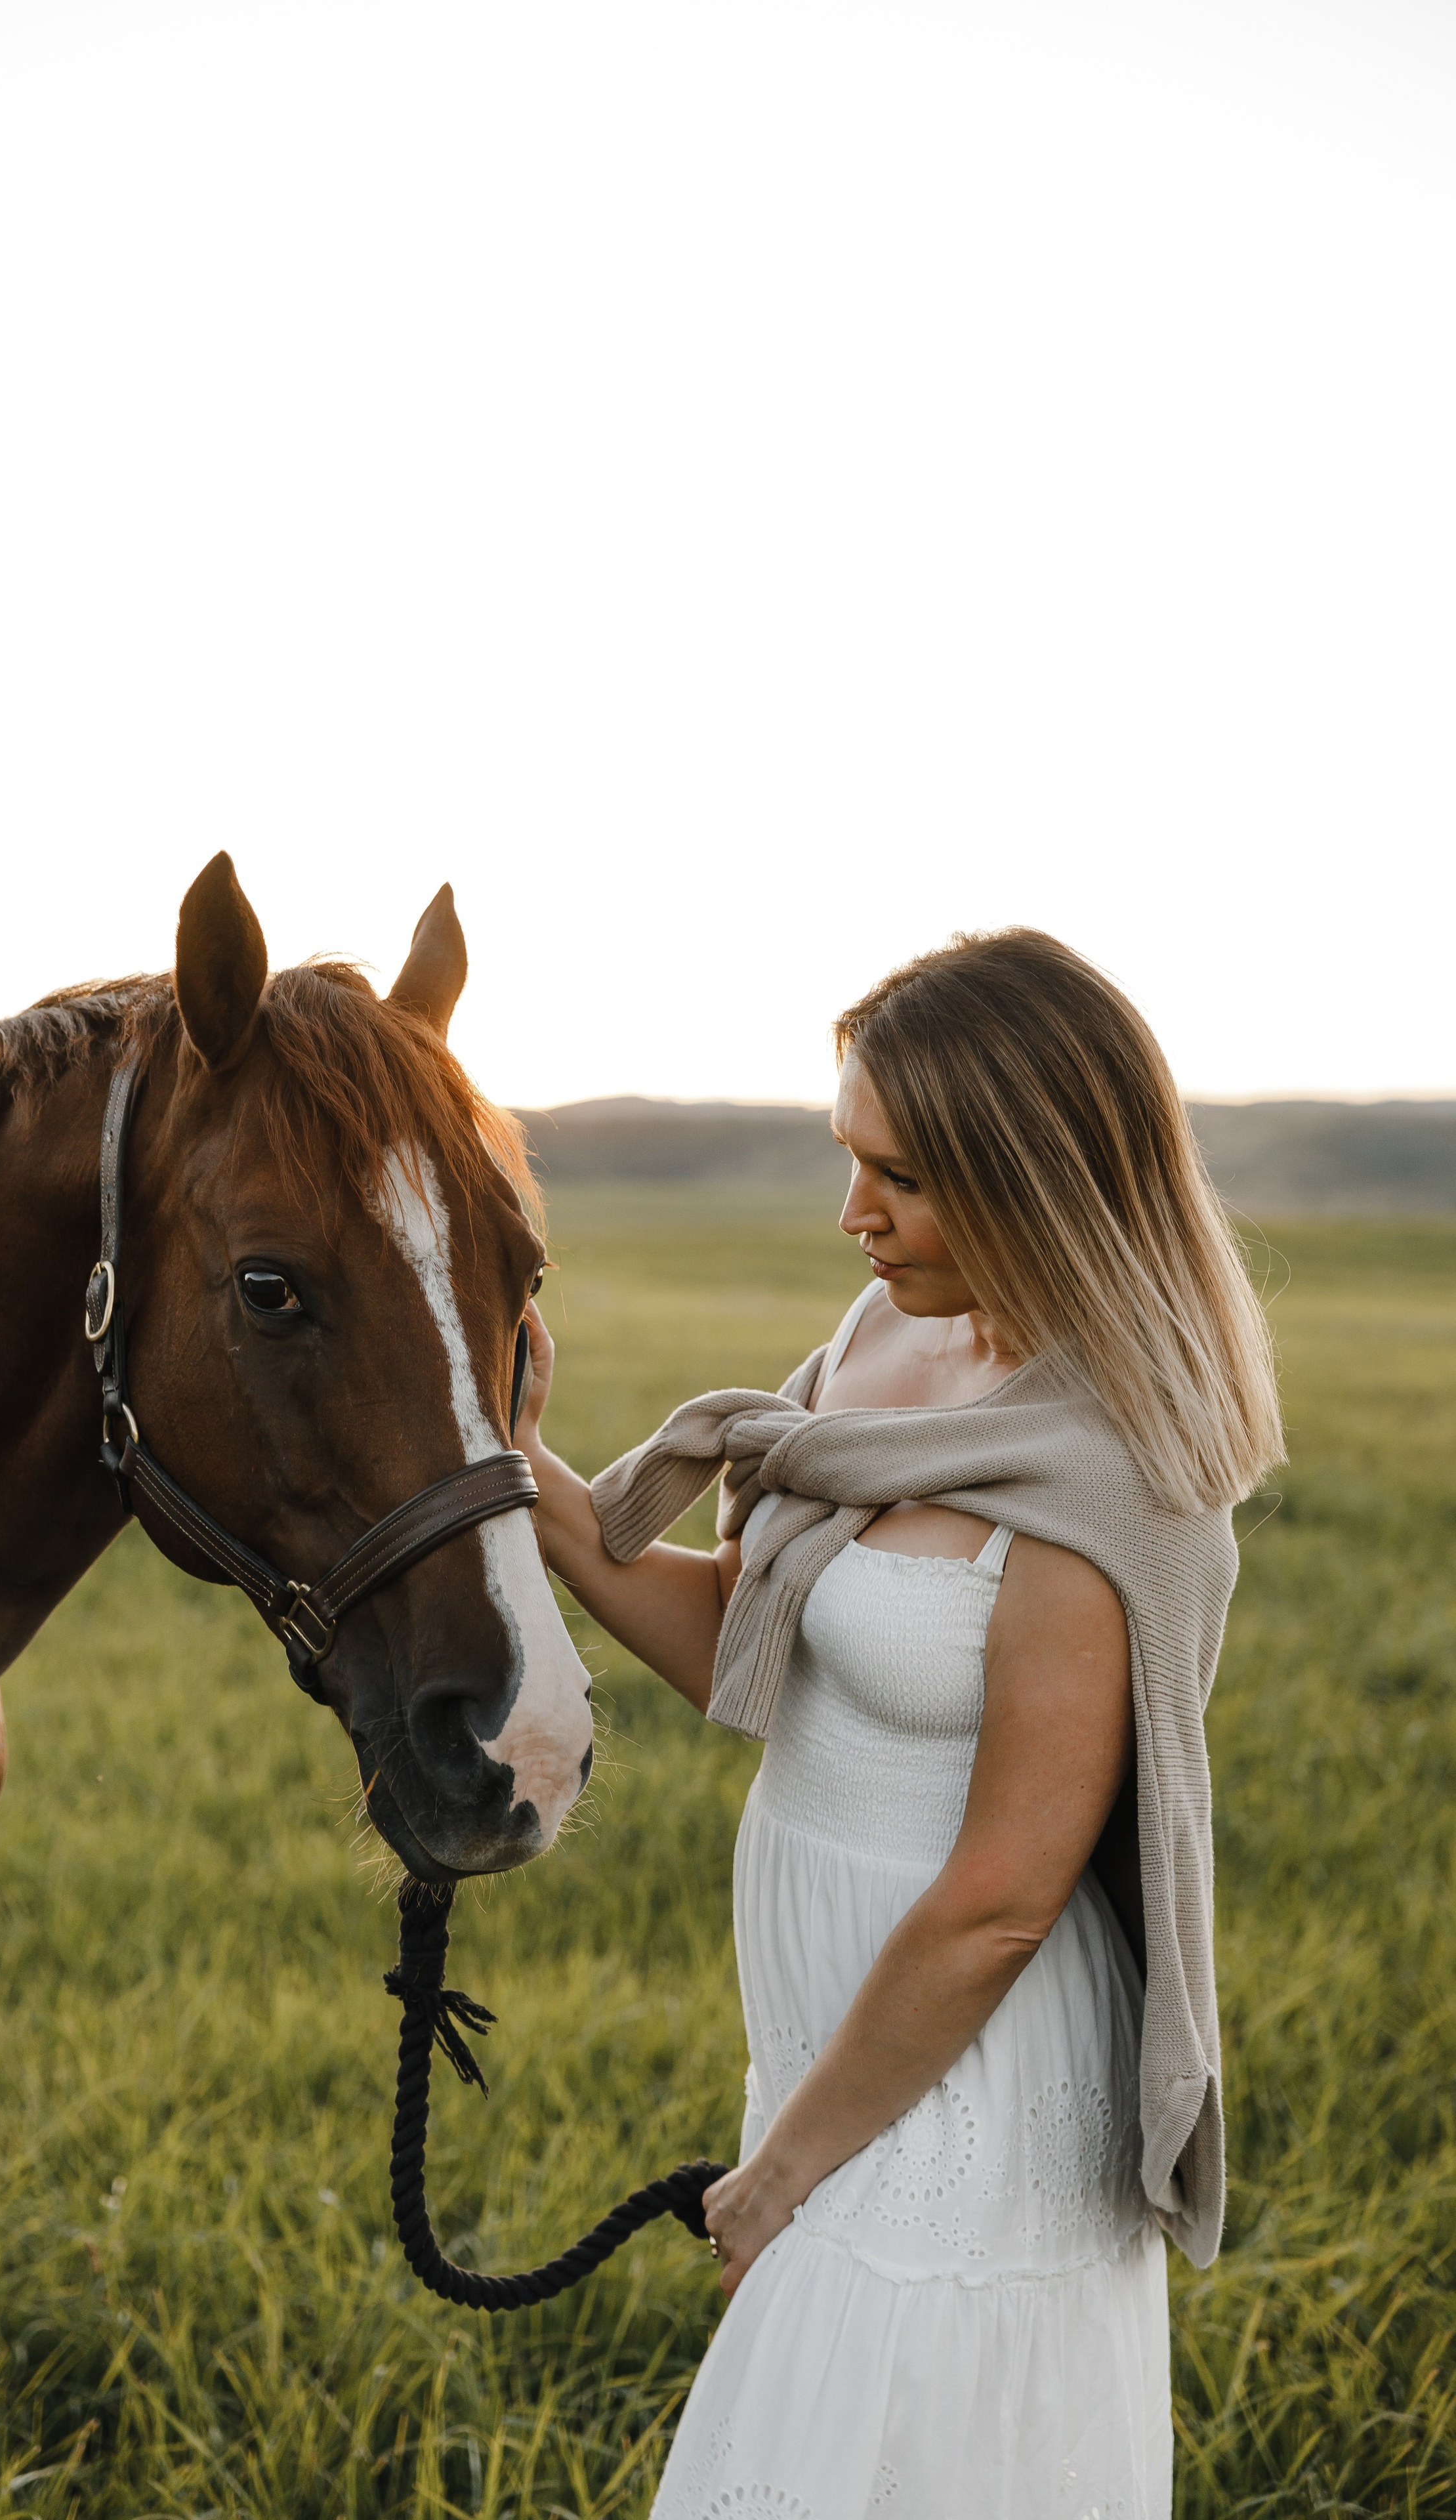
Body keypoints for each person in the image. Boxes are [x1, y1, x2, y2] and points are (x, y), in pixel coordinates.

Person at [514, 929, 1281, 2520]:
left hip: (973, 2071)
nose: (852, 1214)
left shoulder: (1111, 1469)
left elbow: (1002, 1900)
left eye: (903, 1179)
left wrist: (786, 2168)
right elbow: (749, 1634)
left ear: (1037, 1176)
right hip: (834, 2028)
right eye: (848, 1160)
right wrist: (515, 1469)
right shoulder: (879, 1341)